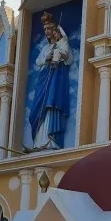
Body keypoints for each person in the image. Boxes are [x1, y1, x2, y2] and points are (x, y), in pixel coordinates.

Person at [26, 12, 72, 150]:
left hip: (56, 78)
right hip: (44, 78)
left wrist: (61, 54)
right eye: (44, 29)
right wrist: (47, 57)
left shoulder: (63, 44)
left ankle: (51, 140)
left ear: (54, 31)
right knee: (38, 107)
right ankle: (38, 142)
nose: (46, 32)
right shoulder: (46, 48)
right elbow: (38, 61)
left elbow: (69, 59)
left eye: (48, 29)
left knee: (51, 104)